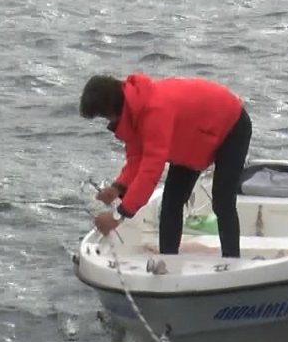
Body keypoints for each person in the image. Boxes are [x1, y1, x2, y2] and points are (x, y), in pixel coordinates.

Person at [79, 72, 252, 258]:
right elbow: (137, 158)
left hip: (231, 124)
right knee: (171, 202)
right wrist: (117, 188)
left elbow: (150, 171)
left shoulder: (155, 111)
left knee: (222, 200)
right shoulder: (134, 110)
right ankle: (168, 261)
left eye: (105, 117)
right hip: (193, 138)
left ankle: (232, 258)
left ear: (112, 111)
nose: (108, 123)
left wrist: (117, 217)